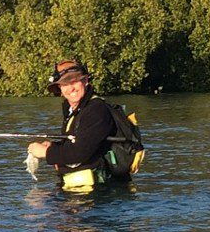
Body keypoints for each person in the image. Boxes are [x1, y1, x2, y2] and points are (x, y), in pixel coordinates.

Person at [26, 59, 144, 194]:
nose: (71, 88)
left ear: (85, 81)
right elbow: (79, 140)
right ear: (59, 88)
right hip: (83, 189)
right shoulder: (74, 109)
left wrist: (45, 153)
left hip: (103, 193)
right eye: (65, 84)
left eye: (74, 81)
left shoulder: (96, 110)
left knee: (39, 208)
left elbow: (79, 152)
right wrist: (54, 146)